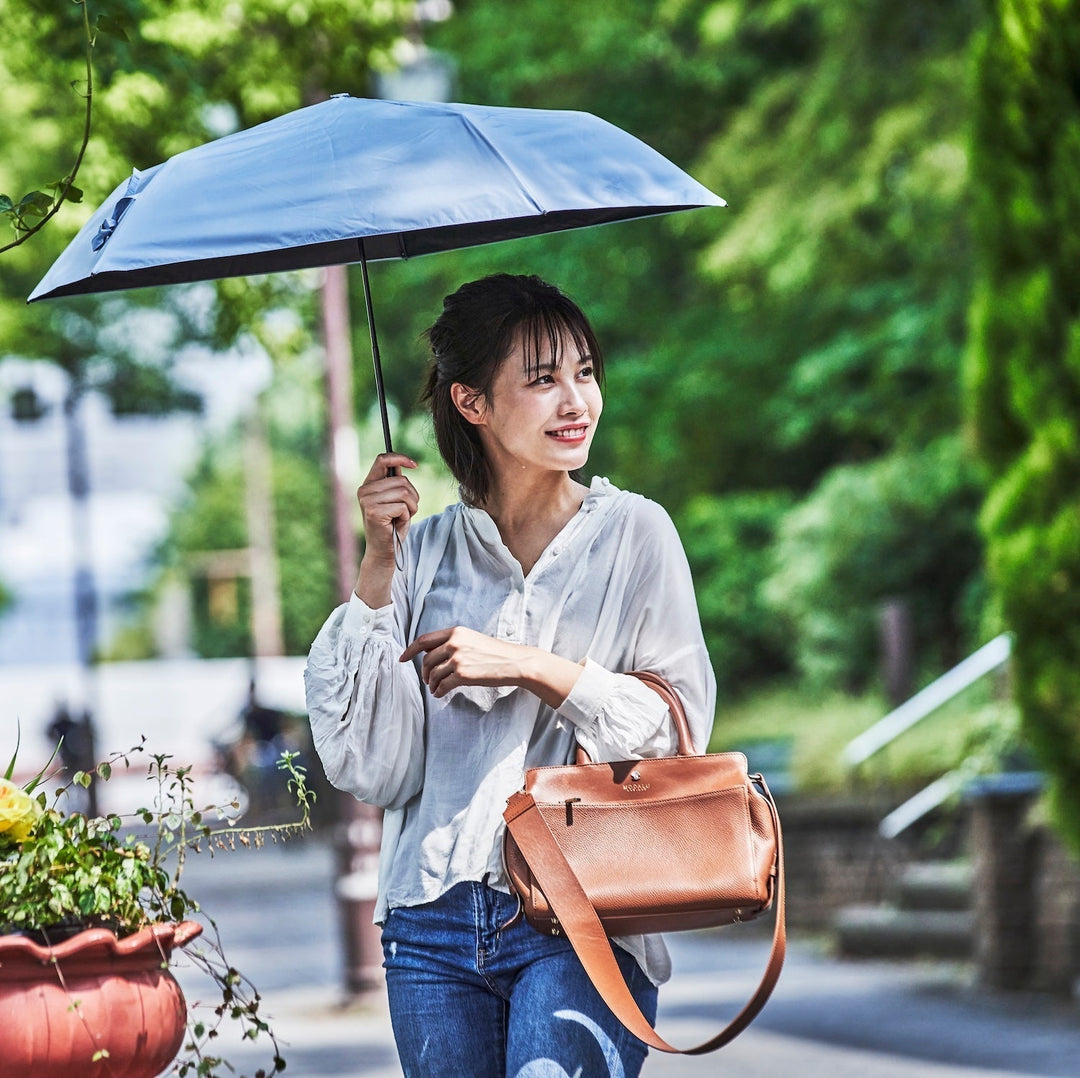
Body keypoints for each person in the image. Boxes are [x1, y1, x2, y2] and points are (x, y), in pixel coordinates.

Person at [305, 273, 716, 1078]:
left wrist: (528, 666)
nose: (576, 402)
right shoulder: (420, 553)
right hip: (429, 922)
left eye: (585, 372)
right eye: (543, 380)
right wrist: (379, 564)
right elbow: (373, 767)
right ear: (471, 403)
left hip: (585, 907)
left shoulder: (636, 534)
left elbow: (675, 737)